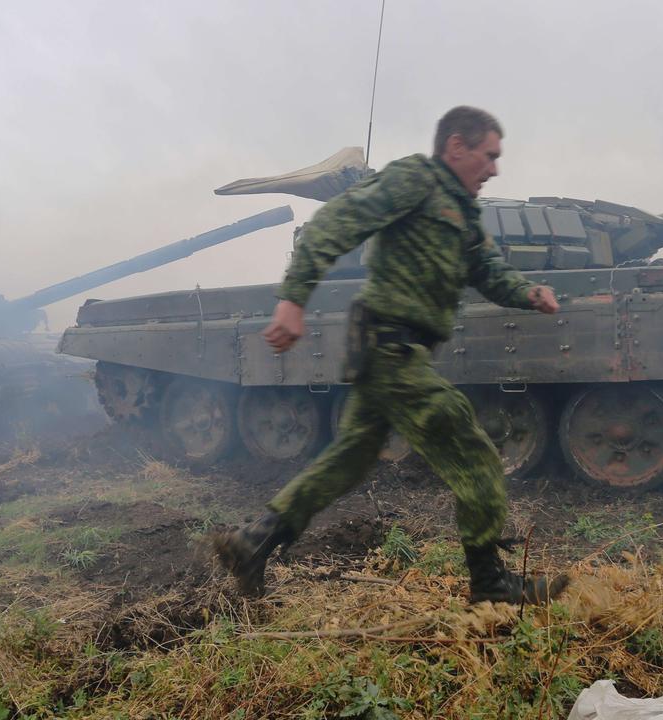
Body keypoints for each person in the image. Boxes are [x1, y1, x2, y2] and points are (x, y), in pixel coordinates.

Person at [213, 106, 569, 604]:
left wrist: (527, 293)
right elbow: (337, 221)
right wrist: (293, 300)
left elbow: (488, 269)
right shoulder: (414, 180)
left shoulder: (463, 213)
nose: (494, 168)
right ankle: (490, 585)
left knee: (349, 459)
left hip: (392, 349)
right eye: (489, 155)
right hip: (391, 349)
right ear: (456, 147)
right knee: (476, 454)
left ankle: (252, 542)